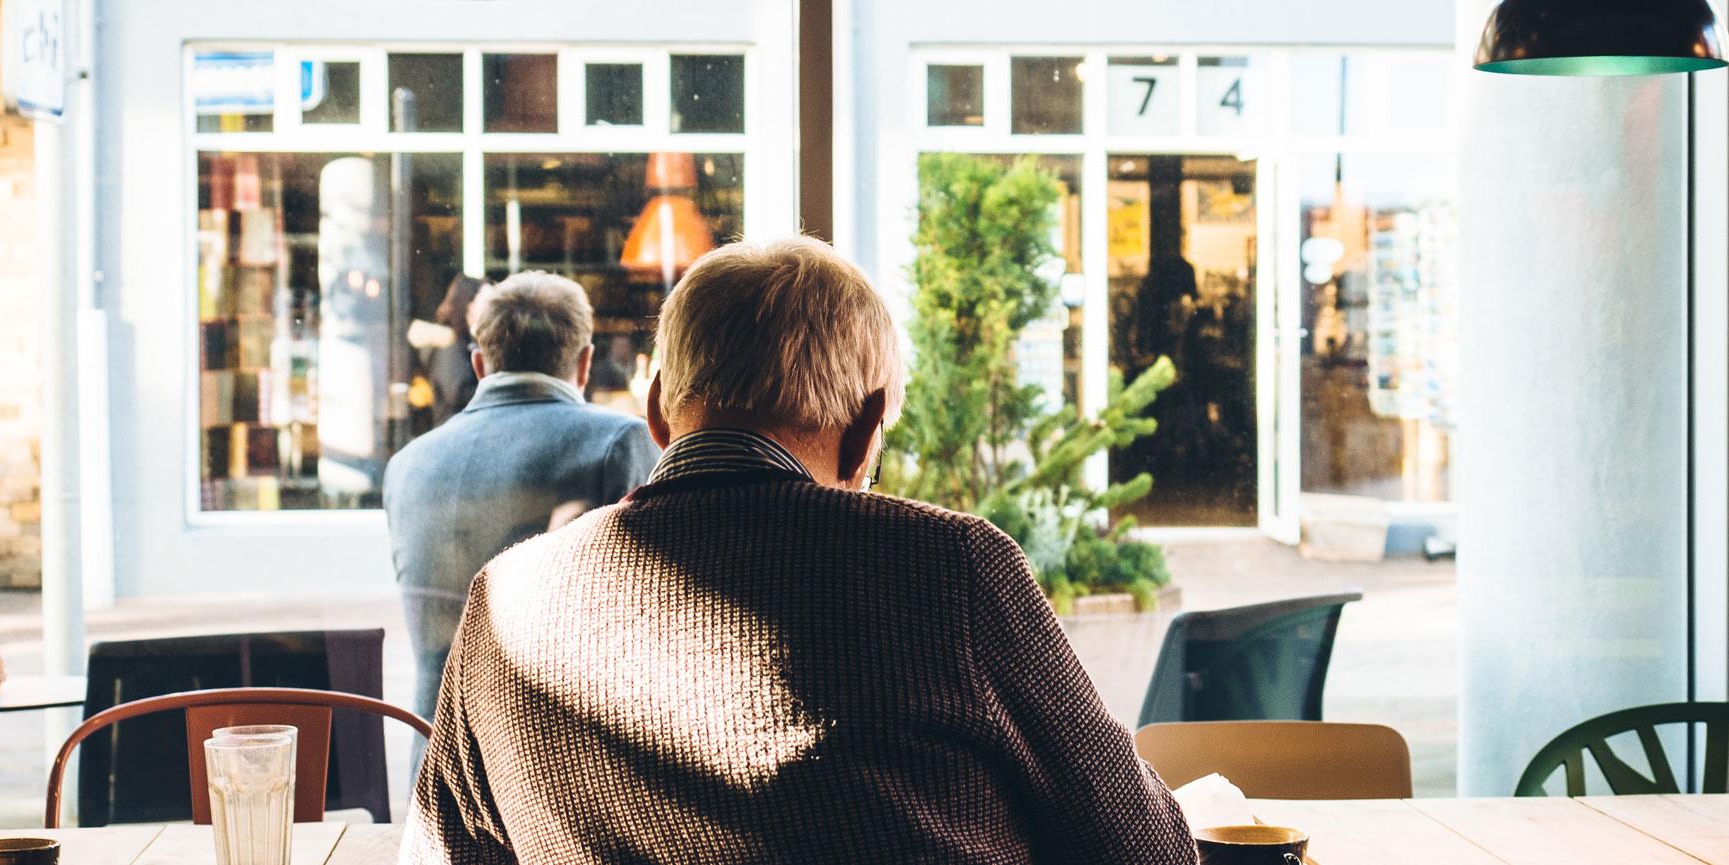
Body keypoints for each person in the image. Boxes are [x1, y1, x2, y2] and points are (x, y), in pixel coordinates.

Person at [402, 237, 1195, 864]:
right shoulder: (952, 571)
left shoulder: (504, 601)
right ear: (864, 428)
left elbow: (443, 850)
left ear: (656, 412)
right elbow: (1145, 850)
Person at [383, 271, 660, 722]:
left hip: (432, 764)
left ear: (479, 365)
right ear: (586, 363)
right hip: (553, 766)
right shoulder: (617, 443)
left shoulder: (407, 464)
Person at [428, 273, 487, 427]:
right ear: (468, 305)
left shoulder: (467, 341)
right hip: (455, 433)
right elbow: (458, 392)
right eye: (485, 302)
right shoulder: (450, 343)